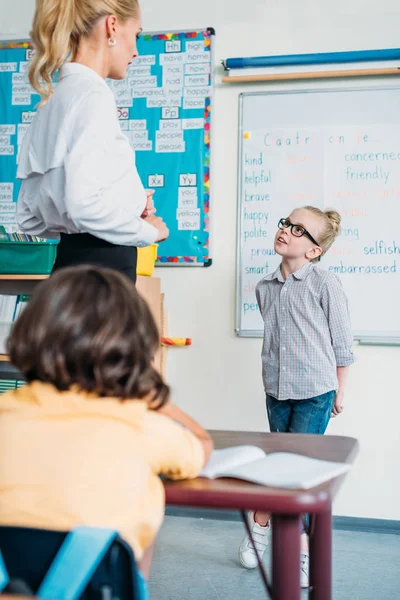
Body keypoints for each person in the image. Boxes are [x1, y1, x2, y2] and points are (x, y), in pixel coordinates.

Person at [0, 265, 213, 587]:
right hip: (97, 585)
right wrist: (152, 396)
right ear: (136, 345)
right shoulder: (142, 424)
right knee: (142, 505)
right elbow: (201, 446)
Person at [238, 206, 355, 588]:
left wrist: (340, 388)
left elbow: (341, 343)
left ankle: (300, 551)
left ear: (314, 250)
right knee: (274, 462)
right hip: (276, 389)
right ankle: (260, 523)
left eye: (299, 229)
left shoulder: (325, 283)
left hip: (315, 392)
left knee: (298, 471)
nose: (286, 230)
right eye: (286, 223)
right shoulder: (264, 287)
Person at [16, 0, 168, 282]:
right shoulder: (93, 96)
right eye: (136, 35)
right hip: (104, 278)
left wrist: (126, 200)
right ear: (112, 26)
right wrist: (150, 231)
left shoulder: (51, 101)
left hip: (65, 271)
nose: (136, 52)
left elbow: (28, 216)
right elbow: (83, 204)